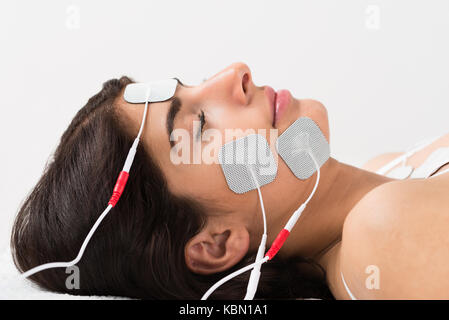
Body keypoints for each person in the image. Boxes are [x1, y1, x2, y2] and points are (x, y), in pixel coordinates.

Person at [11, 62, 449, 299]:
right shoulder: (384, 235)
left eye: (197, 82)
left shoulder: (393, 167)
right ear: (216, 243)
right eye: (199, 125)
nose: (234, 74)